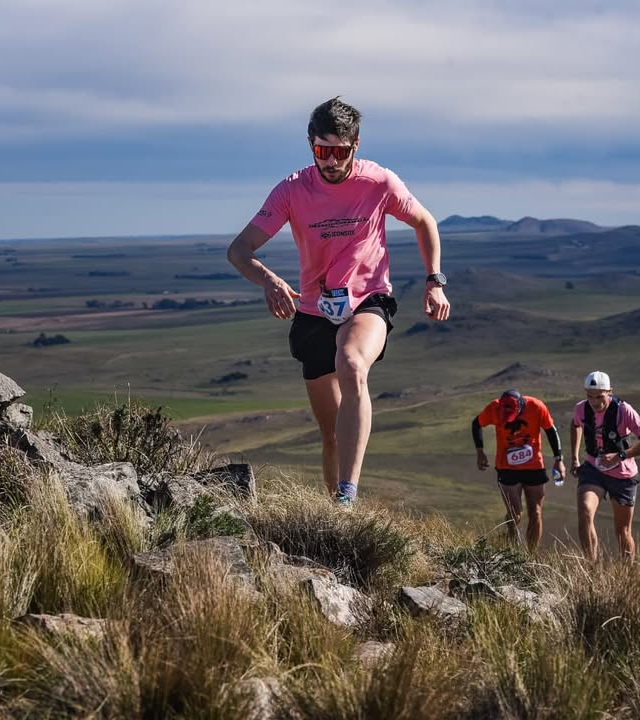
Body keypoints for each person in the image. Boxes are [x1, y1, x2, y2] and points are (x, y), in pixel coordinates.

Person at [226, 97, 450, 508]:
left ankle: (348, 494)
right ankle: (337, 514)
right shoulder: (292, 190)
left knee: (352, 364)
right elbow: (239, 250)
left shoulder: (379, 182)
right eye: (322, 150)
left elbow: (425, 222)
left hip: (368, 300)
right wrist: (269, 280)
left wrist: (434, 281)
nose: (330, 161)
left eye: (340, 152)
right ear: (310, 144)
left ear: (355, 146)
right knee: (330, 436)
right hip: (314, 312)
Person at [569, 371, 640, 561]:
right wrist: (575, 458)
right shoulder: (581, 409)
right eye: (590, 396)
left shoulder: (624, 411)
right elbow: (575, 425)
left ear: (610, 392)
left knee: (623, 532)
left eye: (599, 397)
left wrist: (620, 456)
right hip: (593, 469)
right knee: (585, 512)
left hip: (623, 474)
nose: (594, 402)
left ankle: (628, 573)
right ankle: (591, 568)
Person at [472, 389, 566, 550]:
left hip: (534, 466)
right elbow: (476, 424)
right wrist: (480, 452)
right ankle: (512, 545)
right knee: (514, 514)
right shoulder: (494, 408)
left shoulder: (536, 407)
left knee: (536, 513)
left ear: (521, 407)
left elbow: (551, 430)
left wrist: (559, 460)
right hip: (507, 468)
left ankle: (531, 555)